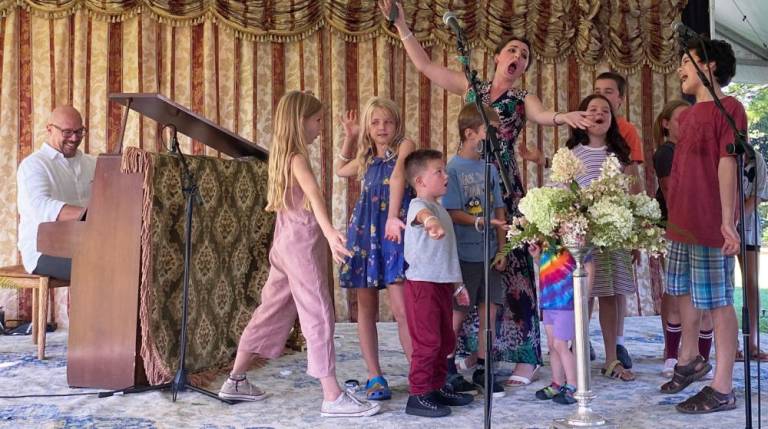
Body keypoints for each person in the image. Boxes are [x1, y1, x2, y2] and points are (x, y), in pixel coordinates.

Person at [379, 0, 593, 386]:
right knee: (469, 269)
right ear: (497, 57)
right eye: (512, 50)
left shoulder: (522, 97)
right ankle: (472, 353)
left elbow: (544, 115)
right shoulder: (472, 86)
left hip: (504, 187)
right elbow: (426, 67)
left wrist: (564, 117)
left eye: (524, 54)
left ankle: (525, 358)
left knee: (515, 271)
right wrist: (403, 28)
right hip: (467, 182)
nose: (518, 56)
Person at [218, 91, 380, 418]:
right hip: (301, 246)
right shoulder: (297, 158)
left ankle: (235, 379)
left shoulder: (283, 155)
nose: (321, 126)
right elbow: (314, 195)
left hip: (285, 244)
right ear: (300, 121)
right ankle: (332, 395)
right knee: (318, 313)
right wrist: (331, 231)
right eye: (318, 120)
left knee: (271, 311)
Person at [660, 38, 745, 414]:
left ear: (708, 66)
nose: (680, 69)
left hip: (710, 221)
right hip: (683, 222)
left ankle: (723, 385)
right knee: (680, 291)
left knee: (718, 301)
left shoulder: (730, 109)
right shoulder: (690, 115)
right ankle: (690, 357)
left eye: (685, 62)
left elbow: (728, 163)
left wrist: (727, 221)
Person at [336, 97, 415, 400]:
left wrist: (393, 217)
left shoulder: (404, 146)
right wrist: (350, 136)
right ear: (369, 127)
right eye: (375, 122)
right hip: (365, 232)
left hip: (393, 231)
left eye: (388, 121)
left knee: (402, 309)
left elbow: (398, 176)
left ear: (397, 124)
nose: (382, 127)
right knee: (365, 306)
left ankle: (417, 374)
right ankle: (374, 376)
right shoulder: (366, 159)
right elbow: (341, 169)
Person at [566, 94, 636, 382]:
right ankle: (577, 354)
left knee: (608, 296)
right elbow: (562, 192)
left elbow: (632, 195)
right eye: (592, 109)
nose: (599, 113)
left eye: (605, 110)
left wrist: (631, 236)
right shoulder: (571, 154)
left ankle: (611, 359)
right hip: (583, 237)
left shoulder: (619, 155)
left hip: (613, 235)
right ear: (581, 118)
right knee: (583, 297)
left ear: (612, 118)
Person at [402, 148, 474, 417]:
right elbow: (422, 218)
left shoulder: (440, 209)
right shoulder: (419, 206)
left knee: (444, 340)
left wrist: (457, 285)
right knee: (427, 342)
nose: (446, 175)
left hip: (443, 285)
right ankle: (418, 395)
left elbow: (448, 254)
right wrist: (430, 222)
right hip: (423, 286)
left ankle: (436, 387)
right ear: (420, 181)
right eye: (439, 171)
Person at [443, 103, 507, 397]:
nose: (495, 137)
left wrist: (502, 249)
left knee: (489, 310)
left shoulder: (491, 169)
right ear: (470, 133)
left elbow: (499, 209)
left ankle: (483, 365)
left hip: (490, 254)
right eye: (489, 131)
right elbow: (453, 211)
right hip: (465, 255)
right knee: (459, 311)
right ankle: (446, 366)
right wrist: (480, 221)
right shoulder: (452, 170)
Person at [652, 100, 715, 378]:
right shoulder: (667, 152)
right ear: (666, 123)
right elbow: (670, 192)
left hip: (700, 225)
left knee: (701, 295)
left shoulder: (698, 150)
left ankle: (699, 354)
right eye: (680, 119)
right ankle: (672, 352)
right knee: (678, 291)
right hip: (678, 225)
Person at [593, 71, 644, 368]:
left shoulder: (626, 133)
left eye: (609, 92)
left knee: (615, 287)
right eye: (598, 92)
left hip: (617, 223)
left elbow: (633, 180)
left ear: (620, 100)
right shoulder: (580, 136)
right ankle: (581, 340)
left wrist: (635, 227)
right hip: (587, 228)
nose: (603, 98)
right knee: (587, 286)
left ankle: (617, 344)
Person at [17, 106, 96, 281]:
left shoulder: (92, 163)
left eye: (79, 131)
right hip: (42, 252)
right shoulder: (34, 165)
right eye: (67, 132)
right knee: (100, 265)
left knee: (129, 259)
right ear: (49, 129)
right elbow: (41, 206)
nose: (74, 138)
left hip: (83, 244)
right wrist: (91, 214)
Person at [529, 243, 577, 405]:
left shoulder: (573, 242)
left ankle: (573, 385)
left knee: (561, 344)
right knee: (551, 345)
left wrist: (584, 296)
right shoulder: (548, 243)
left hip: (566, 302)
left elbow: (589, 266)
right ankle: (557, 383)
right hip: (548, 301)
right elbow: (546, 266)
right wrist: (537, 257)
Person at [735, 145, 768, 362]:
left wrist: (736, 218)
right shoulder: (716, 150)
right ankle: (731, 344)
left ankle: (752, 342)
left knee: (751, 283)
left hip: (747, 227)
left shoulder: (757, 159)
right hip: (717, 226)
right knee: (723, 285)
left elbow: (759, 194)